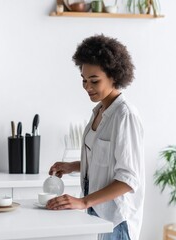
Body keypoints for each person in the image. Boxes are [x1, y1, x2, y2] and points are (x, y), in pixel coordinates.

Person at [47, 34, 145, 240]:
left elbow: (128, 179)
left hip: (117, 219)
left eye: (94, 80)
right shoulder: (99, 111)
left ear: (114, 76)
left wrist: (83, 201)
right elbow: (105, 161)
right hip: (99, 212)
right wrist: (72, 166)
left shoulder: (124, 116)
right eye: (83, 80)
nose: (87, 87)